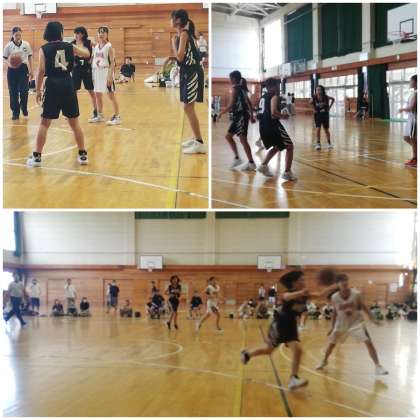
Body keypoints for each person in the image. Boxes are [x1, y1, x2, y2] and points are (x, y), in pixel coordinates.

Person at [240, 270, 338, 389]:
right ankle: (247, 354)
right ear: (294, 283)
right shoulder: (288, 293)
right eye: (301, 280)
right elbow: (286, 297)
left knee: (297, 350)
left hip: (291, 326)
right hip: (280, 325)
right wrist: (300, 292)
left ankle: (293, 378)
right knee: (269, 350)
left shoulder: (304, 295)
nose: (304, 281)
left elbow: (320, 295)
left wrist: (334, 286)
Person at [26, 21, 90, 167]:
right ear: (60, 32)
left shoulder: (44, 49)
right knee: (74, 122)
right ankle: (83, 155)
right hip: (67, 83)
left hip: (53, 84)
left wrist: (38, 90)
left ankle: (37, 157)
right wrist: (81, 44)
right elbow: (86, 54)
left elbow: (41, 71)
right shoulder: (69, 46)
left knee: (45, 123)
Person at [315, 273, 388, 375]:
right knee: (331, 344)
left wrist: (372, 318)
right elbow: (335, 312)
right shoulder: (334, 297)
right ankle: (324, 361)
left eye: (346, 280)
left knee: (368, 342)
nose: (344, 283)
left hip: (356, 323)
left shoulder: (356, 294)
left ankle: (378, 366)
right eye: (341, 281)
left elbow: (364, 307)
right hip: (341, 324)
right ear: (337, 284)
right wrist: (332, 327)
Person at [171, 9, 206, 154]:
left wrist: (173, 44)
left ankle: (199, 142)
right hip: (188, 71)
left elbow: (179, 57)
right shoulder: (185, 33)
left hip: (192, 72)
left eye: (172, 18)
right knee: (188, 107)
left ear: (178, 20)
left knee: (188, 107)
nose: (170, 20)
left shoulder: (184, 34)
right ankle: (195, 139)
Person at [257, 78, 297, 181]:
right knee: (290, 146)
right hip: (273, 126)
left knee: (277, 146)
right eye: (277, 86)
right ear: (273, 86)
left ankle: (263, 166)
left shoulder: (263, 97)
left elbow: (260, 114)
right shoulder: (274, 96)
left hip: (263, 126)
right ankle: (287, 172)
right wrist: (283, 116)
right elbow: (273, 112)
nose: (279, 88)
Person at [217, 71, 256, 171]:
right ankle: (237, 158)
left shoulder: (235, 89)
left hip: (241, 116)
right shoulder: (242, 88)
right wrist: (251, 116)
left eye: (230, 78)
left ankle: (251, 163)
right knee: (228, 136)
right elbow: (249, 104)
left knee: (243, 140)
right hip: (239, 116)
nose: (229, 80)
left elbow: (230, 105)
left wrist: (221, 113)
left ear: (234, 79)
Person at [88, 26, 121, 125]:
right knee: (97, 94)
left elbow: (112, 63)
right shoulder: (96, 47)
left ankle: (117, 117)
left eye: (103, 32)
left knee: (111, 95)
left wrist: (110, 76)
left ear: (107, 34)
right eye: (99, 32)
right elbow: (93, 60)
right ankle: (100, 115)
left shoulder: (109, 46)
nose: (101, 34)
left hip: (106, 72)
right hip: (97, 72)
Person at [3, 26, 33, 120]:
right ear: (13, 35)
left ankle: (23, 107)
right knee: (13, 92)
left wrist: (31, 70)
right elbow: (4, 58)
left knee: (24, 90)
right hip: (12, 70)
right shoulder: (8, 46)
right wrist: (10, 64)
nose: (18, 37)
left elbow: (29, 57)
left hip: (23, 69)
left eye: (19, 35)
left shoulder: (26, 44)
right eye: (16, 35)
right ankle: (15, 112)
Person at [72, 26, 97, 120]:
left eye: (78, 33)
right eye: (75, 33)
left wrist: (92, 58)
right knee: (73, 91)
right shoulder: (72, 44)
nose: (76, 35)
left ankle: (96, 111)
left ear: (82, 34)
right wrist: (72, 62)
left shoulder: (88, 42)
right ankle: (73, 111)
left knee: (91, 91)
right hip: (76, 70)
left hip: (87, 69)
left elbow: (99, 48)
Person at [399, 74, 417, 167]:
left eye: (411, 81)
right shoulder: (414, 92)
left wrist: (403, 109)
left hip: (415, 119)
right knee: (406, 137)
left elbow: (412, 107)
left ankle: (415, 159)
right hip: (411, 119)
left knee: (413, 139)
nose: (410, 82)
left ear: (416, 82)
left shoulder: (417, 93)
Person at [310, 85, 335, 150]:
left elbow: (333, 99)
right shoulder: (314, 97)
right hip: (317, 115)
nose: (318, 91)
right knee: (318, 129)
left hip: (325, 114)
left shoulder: (326, 97)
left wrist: (329, 107)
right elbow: (310, 103)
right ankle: (318, 144)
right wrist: (313, 109)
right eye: (317, 90)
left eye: (319, 90)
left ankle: (329, 143)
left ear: (322, 90)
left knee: (326, 130)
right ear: (315, 91)